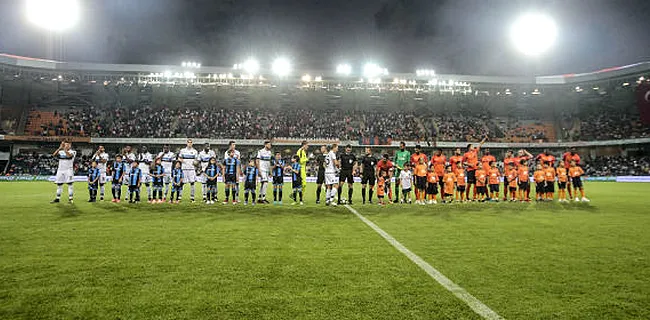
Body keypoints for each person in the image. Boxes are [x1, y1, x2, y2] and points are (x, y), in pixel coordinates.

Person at [464, 137, 487, 201]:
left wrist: (484, 139)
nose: (473, 147)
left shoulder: (475, 152)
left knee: (475, 184)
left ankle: (474, 197)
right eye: (472, 146)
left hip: (476, 170)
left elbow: (480, 144)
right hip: (470, 170)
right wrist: (468, 164)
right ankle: (467, 197)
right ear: (469, 148)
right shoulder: (466, 154)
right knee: (469, 184)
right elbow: (463, 162)